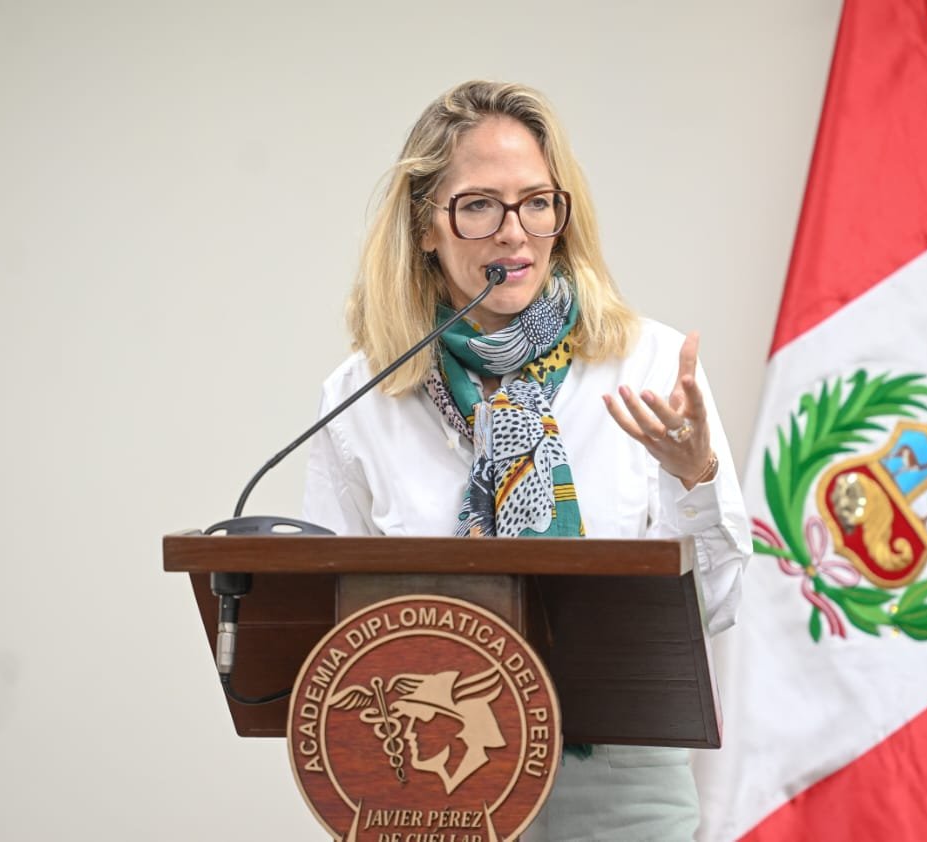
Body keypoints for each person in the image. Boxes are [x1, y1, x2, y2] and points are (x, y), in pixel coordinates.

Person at [303, 80, 749, 842]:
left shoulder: (649, 367)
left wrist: (695, 479)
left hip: (620, 778)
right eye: (480, 205)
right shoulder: (365, 394)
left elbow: (720, 605)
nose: (515, 233)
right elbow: (327, 626)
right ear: (425, 227)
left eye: (537, 202)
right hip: (431, 781)